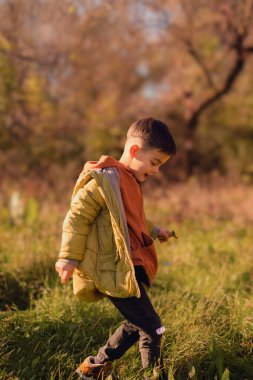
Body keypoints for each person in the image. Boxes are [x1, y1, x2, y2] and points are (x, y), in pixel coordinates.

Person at [55, 117, 177, 380]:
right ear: (134, 151)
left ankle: (91, 369)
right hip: (112, 268)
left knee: (137, 323)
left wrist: (157, 231)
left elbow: (135, 218)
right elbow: (76, 217)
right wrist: (68, 257)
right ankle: (154, 376)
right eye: (155, 162)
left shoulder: (131, 182)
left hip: (128, 268)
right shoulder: (104, 180)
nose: (156, 170)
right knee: (153, 328)